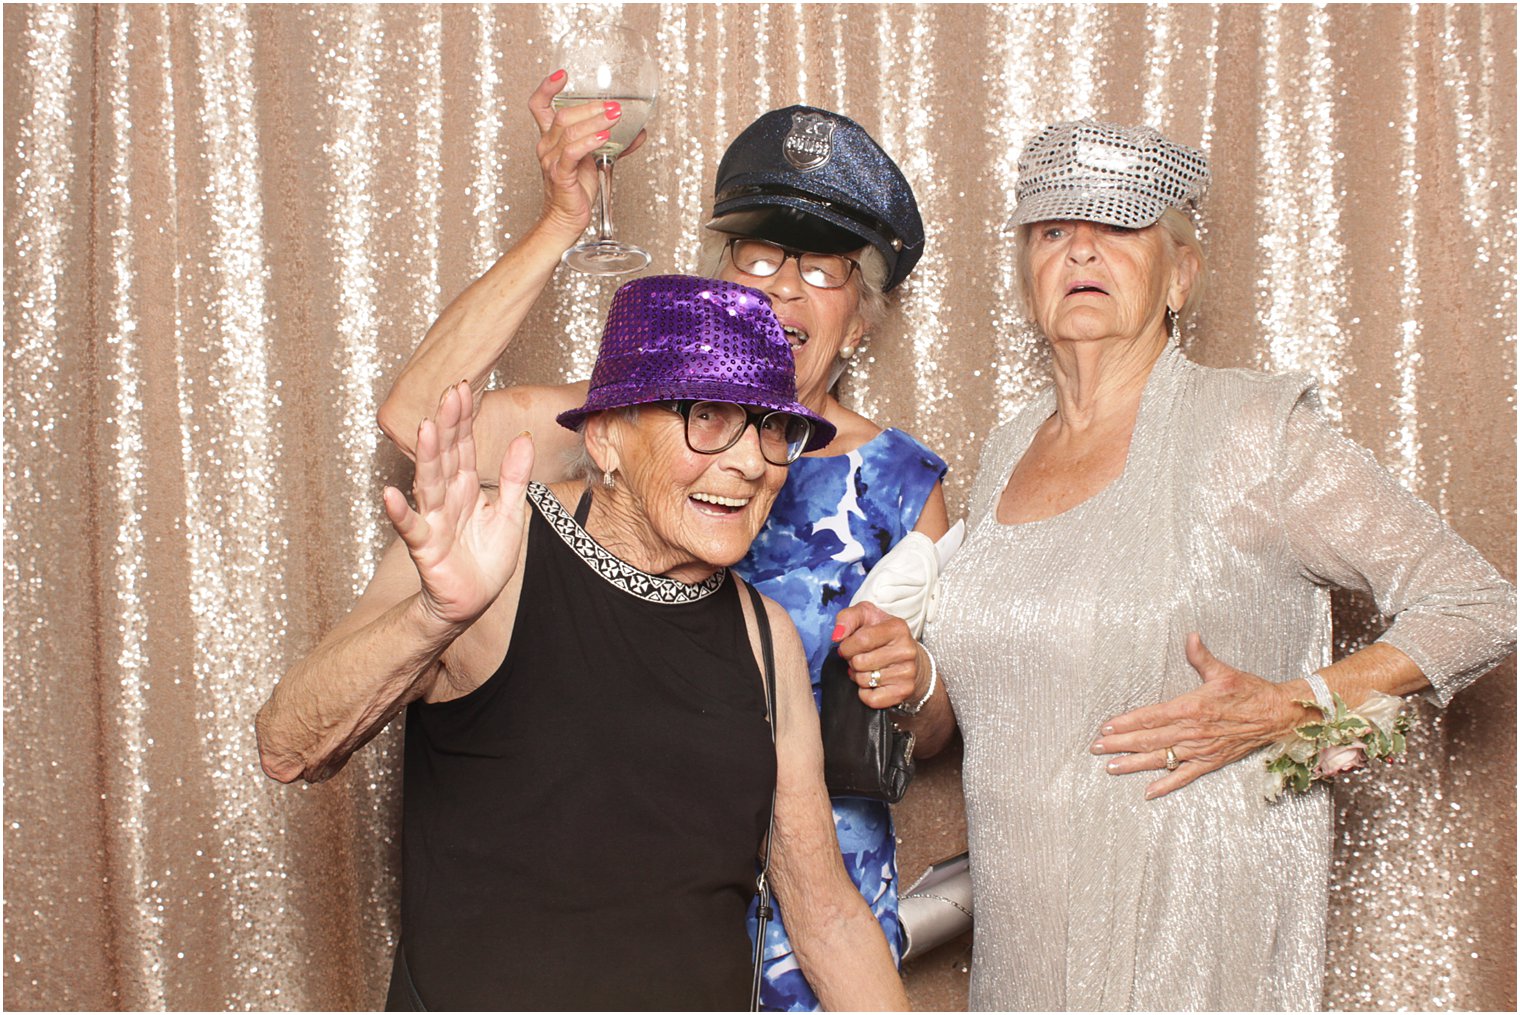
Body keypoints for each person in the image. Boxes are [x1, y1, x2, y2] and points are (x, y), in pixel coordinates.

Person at [375, 77, 954, 1010]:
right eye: (761, 255)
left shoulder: (901, 485)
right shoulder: (632, 422)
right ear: (719, 277)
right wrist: (563, 222)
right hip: (628, 924)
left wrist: (916, 681)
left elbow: (932, 735)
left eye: (822, 268)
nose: (782, 288)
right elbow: (416, 417)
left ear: (864, 311)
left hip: (818, 944)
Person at [922, 120, 1517, 1010]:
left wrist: (1296, 706)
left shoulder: (1250, 429)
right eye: (1052, 230)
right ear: (1025, 269)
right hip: (1025, 945)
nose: (1081, 246)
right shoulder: (1006, 450)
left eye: (1119, 226)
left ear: (1181, 274)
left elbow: (1477, 602)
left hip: (1194, 939)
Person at [256, 275, 909, 1011]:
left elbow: (823, 914)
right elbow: (290, 744)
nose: (751, 461)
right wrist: (435, 618)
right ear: (605, 437)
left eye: (769, 427)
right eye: (706, 415)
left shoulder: (767, 638)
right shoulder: (490, 551)